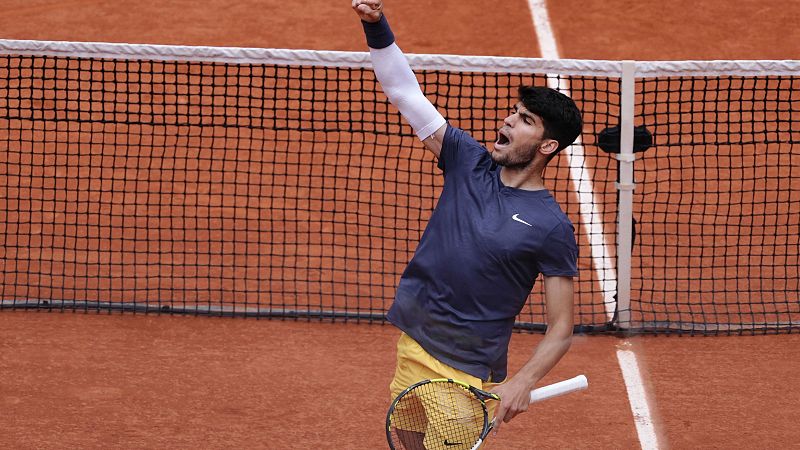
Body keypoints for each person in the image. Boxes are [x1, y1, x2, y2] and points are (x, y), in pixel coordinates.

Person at [351, 0, 582, 446]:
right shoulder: (467, 161)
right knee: (409, 440)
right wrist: (376, 25)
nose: (508, 120)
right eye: (514, 111)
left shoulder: (551, 226)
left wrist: (523, 381)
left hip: (465, 371)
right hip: (414, 343)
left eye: (525, 120)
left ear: (547, 146)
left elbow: (561, 329)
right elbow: (404, 92)